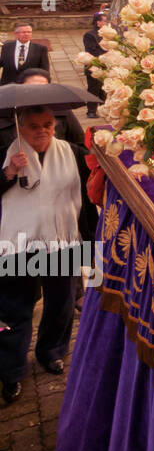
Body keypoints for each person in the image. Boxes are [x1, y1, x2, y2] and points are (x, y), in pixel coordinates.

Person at [0, 106, 94, 405]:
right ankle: (12, 371)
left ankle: (51, 352)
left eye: (48, 125)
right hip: (17, 243)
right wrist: (9, 172)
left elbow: (91, 194)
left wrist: (90, 242)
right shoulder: (6, 154)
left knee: (62, 303)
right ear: (20, 129)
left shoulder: (72, 152)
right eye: (34, 126)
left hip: (62, 239)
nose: (42, 131)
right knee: (15, 310)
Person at [82, 12, 106, 118]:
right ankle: (91, 111)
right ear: (98, 23)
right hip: (94, 66)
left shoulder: (108, 34)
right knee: (93, 89)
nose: (108, 23)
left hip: (105, 66)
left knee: (103, 89)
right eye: (105, 21)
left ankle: (104, 108)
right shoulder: (90, 35)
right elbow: (92, 51)